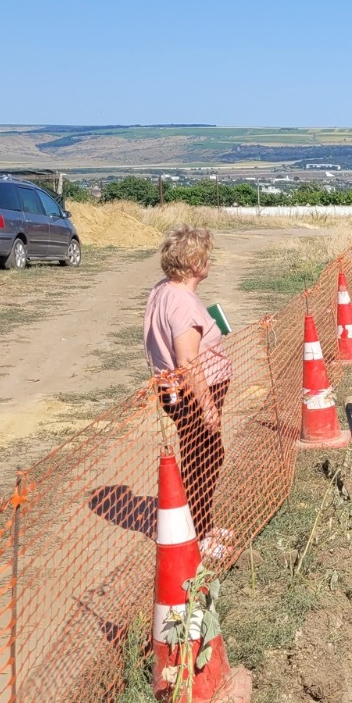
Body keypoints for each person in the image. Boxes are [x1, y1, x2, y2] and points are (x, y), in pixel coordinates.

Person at [143, 225, 234, 548]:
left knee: (204, 456)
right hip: (193, 394)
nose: (210, 262)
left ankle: (203, 523)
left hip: (175, 391)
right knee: (203, 461)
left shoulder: (164, 290)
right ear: (194, 263)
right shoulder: (182, 302)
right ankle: (198, 533)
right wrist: (207, 406)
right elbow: (187, 360)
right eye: (206, 256)